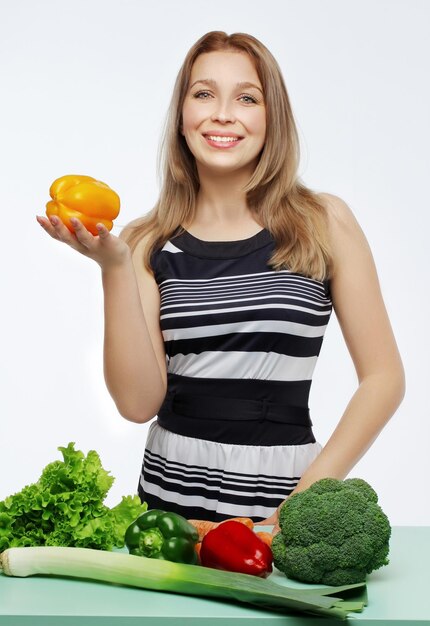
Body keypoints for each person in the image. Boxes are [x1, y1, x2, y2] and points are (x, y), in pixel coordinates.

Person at [36, 31, 405, 530]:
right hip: (171, 510)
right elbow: (137, 403)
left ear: (271, 117)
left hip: (284, 503)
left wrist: (300, 508)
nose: (223, 113)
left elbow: (384, 380)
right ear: (182, 117)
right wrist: (114, 269)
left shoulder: (322, 223)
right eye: (204, 93)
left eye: (247, 98)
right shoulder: (147, 241)